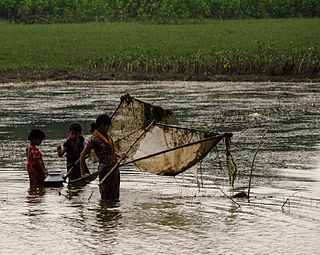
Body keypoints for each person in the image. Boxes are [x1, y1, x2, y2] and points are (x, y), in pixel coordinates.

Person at [79, 114, 126, 201]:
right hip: (105, 171)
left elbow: (108, 152)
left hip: (114, 170)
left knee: (115, 197)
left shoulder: (106, 136)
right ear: (102, 125)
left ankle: (112, 214)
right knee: (106, 198)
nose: (109, 128)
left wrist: (119, 155)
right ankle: (105, 212)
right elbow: (82, 156)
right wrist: (83, 173)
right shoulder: (94, 139)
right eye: (108, 126)